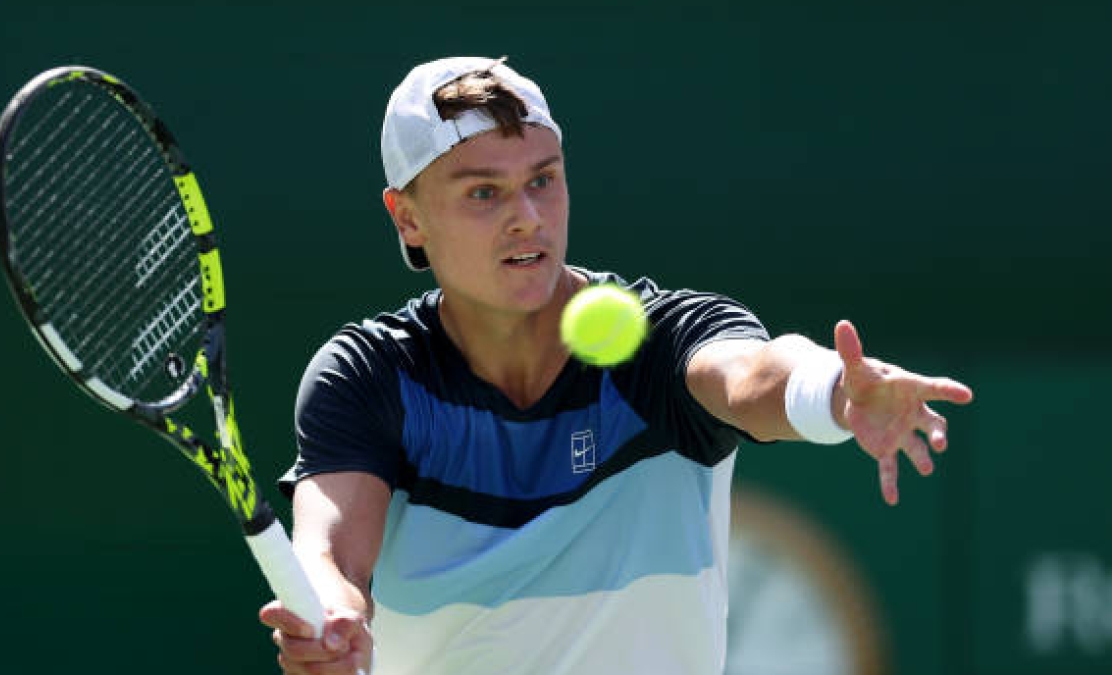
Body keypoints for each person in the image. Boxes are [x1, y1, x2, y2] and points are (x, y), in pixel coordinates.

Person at [257, 56, 973, 675]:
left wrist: (835, 395)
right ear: (407, 217)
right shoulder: (370, 376)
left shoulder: (658, 345)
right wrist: (334, 618)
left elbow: (752, 373)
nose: (528, 218)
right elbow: (332, 555)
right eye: (484, 192)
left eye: (543, 180)